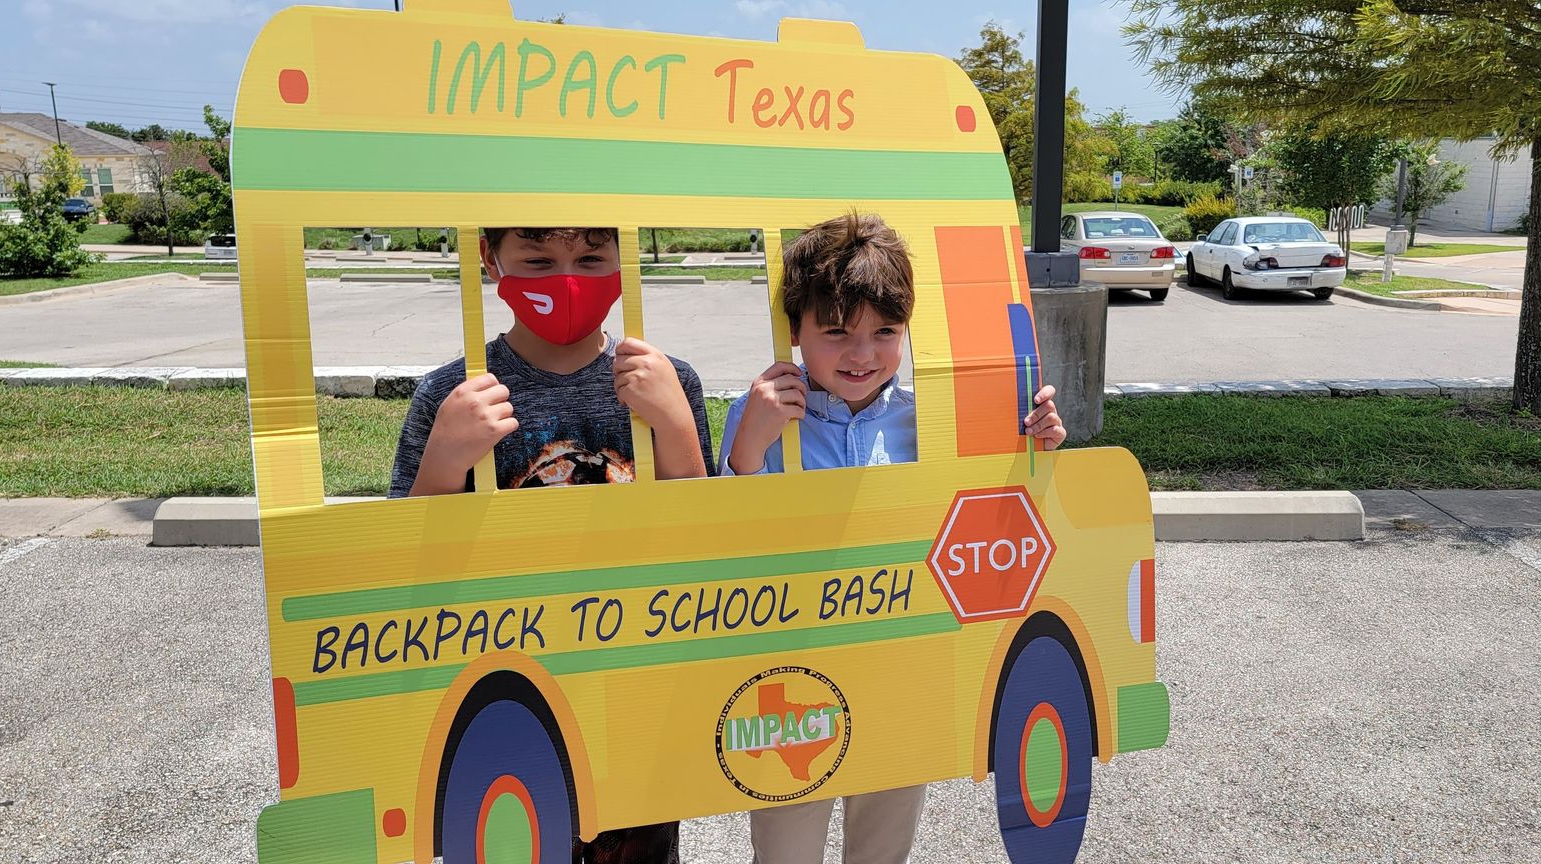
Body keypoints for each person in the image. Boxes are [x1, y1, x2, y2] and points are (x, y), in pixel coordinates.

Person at [717, 213, 1065, 864]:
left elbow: (998, 522)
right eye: (835, 331)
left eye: (885, 331)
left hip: (901, 679)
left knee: (882, 848)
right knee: (785, 851)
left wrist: (1033, 449)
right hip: (791, 683)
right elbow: (723, 546)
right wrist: (747, 450)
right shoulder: (758, 412)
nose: (862, 353)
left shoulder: (932, 419)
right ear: (795, 330)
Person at [388, 226, 710, 863]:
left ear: (626, 256)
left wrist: (674, 424)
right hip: (502, 697)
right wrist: (444, 462)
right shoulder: (451, 394)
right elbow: (402, 564)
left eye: (593, 259)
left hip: (633, 695)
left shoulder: (666, 381)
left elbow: (703, 539)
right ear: (489, 256)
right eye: (538, 260)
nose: (569, 280)